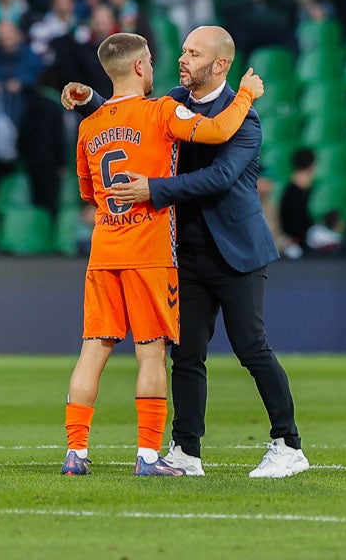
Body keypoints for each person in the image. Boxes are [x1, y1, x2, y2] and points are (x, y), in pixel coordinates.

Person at [62, 26, 309, 479]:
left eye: (193, 53)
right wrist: (92, 101)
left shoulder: (244, 118)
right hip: (184, 251)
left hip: (236, 251)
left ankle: (287, 444)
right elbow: (132, 114)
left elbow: (218, 178)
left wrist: (153, 189)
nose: (182, 59)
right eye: (182, 51)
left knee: (251, 348)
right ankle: (186, 451)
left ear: (219, 65)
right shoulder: (173, 99)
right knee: (186, 355)